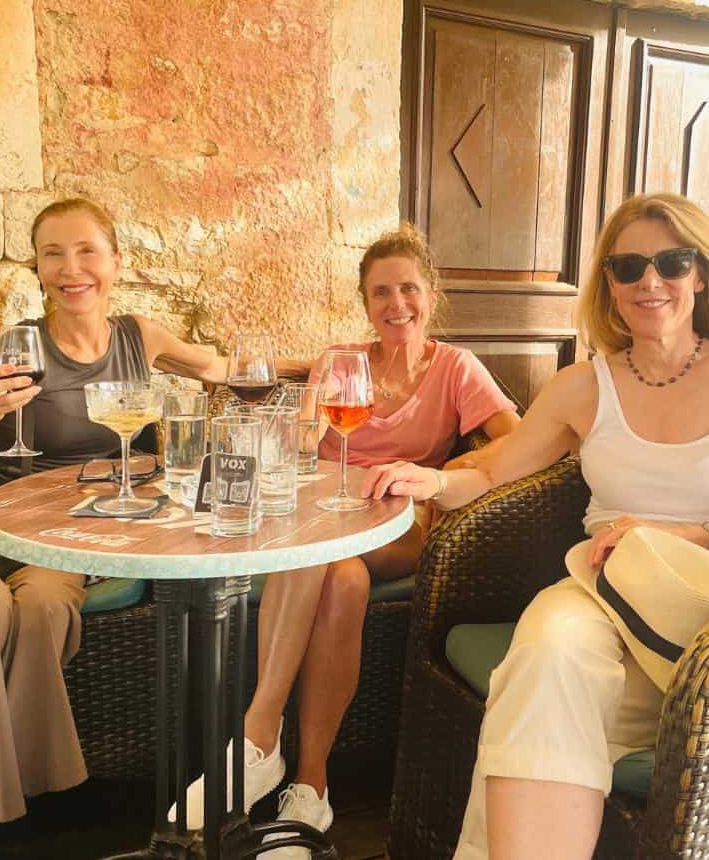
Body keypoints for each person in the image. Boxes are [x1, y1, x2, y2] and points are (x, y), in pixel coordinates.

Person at [362, 193, 709, 860]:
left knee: (539, 710)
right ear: (608, 282)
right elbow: (493, 473)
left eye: (671, 261)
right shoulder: (584, 385)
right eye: (628, 266)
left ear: (702, 272)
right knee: (545, 655)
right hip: (599, 592)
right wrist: (434, 481)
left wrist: (694, 538)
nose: (650, 281)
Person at [0, 197, 306, 826]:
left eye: (86, 251)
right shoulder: (5, 348)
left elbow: (220, 369)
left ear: (116, 261)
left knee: (46, 605)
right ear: (39, 268)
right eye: (53, 253)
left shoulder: (139, 336)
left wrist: (312, 366)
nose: (71, 268)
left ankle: (10, 806)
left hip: (62, 530)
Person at [176, 223, 520, 853]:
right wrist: (293, 433)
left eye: (409, 290)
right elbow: (305, 443)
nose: (397, 305)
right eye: (381, 293)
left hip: (401, 524)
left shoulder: (455, 369)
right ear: (364, 302)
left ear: (431, 294)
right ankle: (310, 790)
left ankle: (257, 739)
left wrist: (437, 475)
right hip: (331, 521)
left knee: (320, 549)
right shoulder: (341, 364)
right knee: (340, 572)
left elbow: (517, 440)